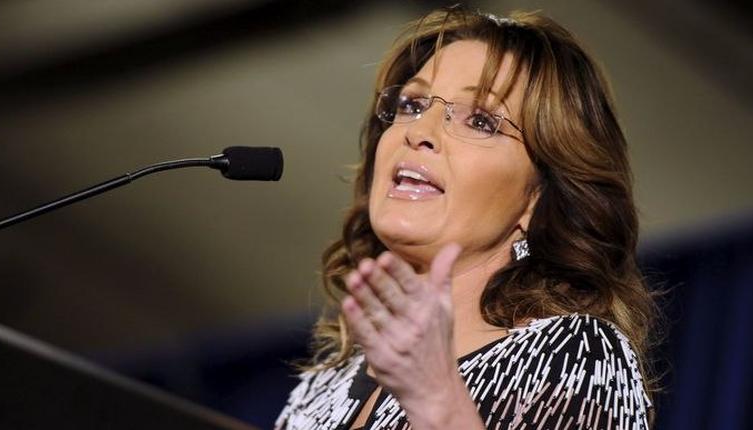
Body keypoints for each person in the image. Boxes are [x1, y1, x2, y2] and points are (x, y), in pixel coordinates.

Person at [276, 6, 657, 429]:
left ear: (538, 196)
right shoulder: (326, 381)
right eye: (412, 104)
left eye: (480, 121)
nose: (419, 132)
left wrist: (436, 400)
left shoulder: (577, 357)